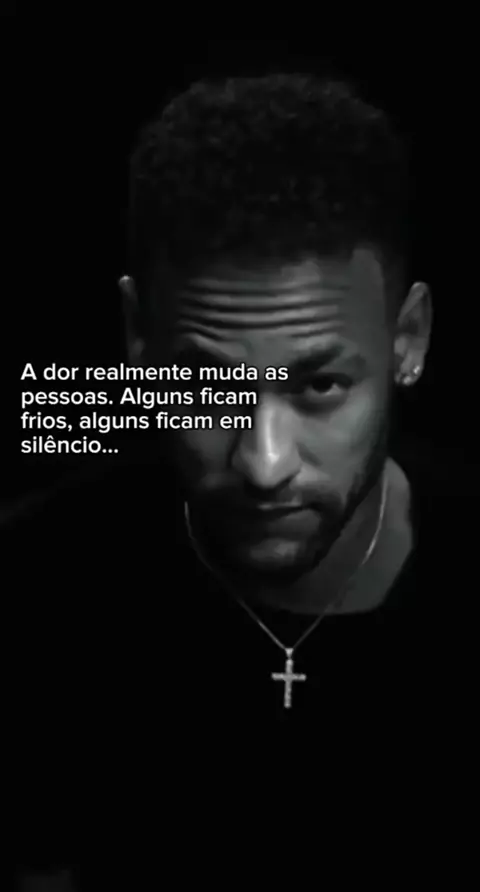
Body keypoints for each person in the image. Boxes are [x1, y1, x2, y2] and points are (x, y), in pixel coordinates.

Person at [8, 72, 476, 883]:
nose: (264, 463)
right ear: (138, 339)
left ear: (408, 340)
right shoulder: (33, 590)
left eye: (320, 384)